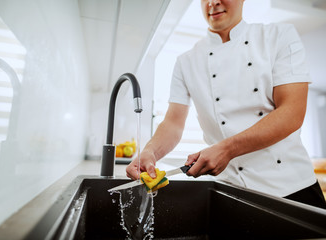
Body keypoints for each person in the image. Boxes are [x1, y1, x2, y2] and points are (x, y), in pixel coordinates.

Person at [126, 0, 326, 209]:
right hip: (231, 192)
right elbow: (173, 123)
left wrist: (227, 149)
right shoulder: (186, 62)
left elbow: (292, 112)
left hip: (293, 189)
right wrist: (150, 152)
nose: (213, 3)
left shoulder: (279, 36)